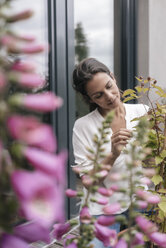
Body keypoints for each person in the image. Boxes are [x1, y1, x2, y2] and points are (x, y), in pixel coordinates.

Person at [72, 58, 149, 247]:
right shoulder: (83, 127)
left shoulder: (143, 112)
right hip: (101, 211)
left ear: (113, 78)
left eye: (109, 86)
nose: (109, 96)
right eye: (98, 95)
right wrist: (113, 153)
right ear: (90, 99)